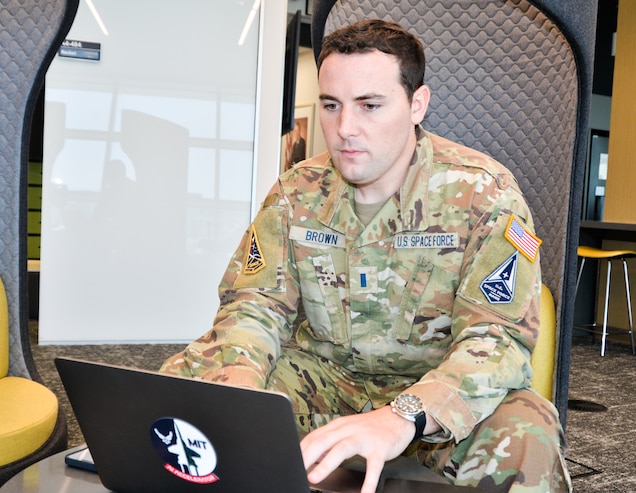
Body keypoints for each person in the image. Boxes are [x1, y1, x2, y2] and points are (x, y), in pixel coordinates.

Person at [161, 19, 571, 493]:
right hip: (324, 384)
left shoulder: (486, 195)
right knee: (189, 387)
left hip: (431, 400)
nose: (344, 129)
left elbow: (495, 341)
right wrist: (237, 381)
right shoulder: (297, 191)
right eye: (331, 106)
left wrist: (402, 417)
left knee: (526, 430)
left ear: (417, 105)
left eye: (370, 106)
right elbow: (254, 307)